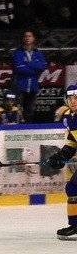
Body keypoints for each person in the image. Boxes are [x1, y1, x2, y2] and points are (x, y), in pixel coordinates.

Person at [45, 85, 77, 240]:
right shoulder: (69, 118)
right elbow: (72, 142)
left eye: (76, 98)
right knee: (72, 188)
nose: (73, 101)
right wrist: (61, 156)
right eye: (70, 98)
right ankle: (75, 225)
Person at [12, 30, 47, 121]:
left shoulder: (38, 53)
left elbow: (42, 66)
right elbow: (19, 68)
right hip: (20, 85)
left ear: (33, 38)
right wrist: (34, 67)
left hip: (33, 86)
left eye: (30, 36)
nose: (27, 38)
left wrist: (28, 64)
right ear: (23, 38)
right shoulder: (18, 52)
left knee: (29, 111)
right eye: (26, 36)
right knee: (17, 110)